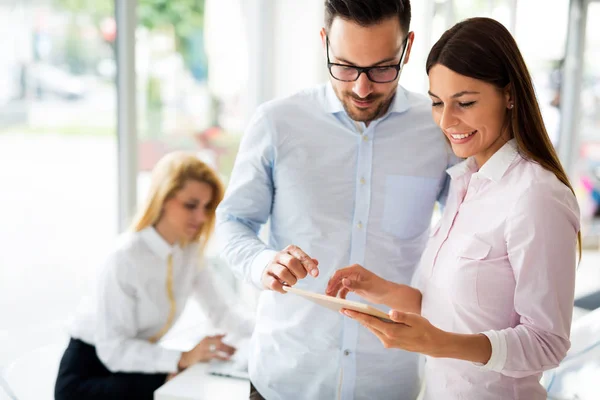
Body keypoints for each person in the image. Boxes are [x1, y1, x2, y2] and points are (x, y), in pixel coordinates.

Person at [326, 17, 581, 400]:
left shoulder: (537, 196)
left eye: (464, 103)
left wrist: (440, 343)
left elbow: (547, 342)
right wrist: (378, 289)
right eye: (436, 103)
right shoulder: (466, 185)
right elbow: (448, 309)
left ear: (509, 95)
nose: (446, 121)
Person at [215, 1, 455, 399]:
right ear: (324, 43)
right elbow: (233, 221)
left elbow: (464, 240)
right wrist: (263, 263)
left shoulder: (437, 130)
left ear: (407, 48)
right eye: (344, 67)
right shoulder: (277, 123)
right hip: (284, 380)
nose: (362, 88)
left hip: (388, 384)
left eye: (381, 68)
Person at [54, 152, 254, 400]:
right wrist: (183, 358)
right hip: (88, 375)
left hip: (135, 365)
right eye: (191, 205)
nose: (201, 217)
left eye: (206, 207)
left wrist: (268, 334)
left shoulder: (189, 252)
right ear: (163, 199)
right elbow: (114, 350)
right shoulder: (125, 257)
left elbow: (222, 312)